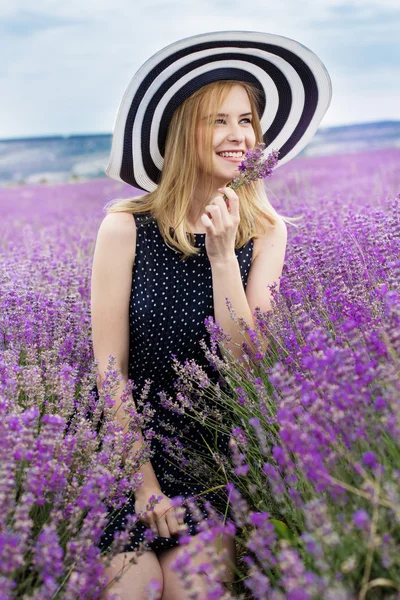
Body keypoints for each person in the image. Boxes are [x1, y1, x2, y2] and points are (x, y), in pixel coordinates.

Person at [90, 30, 331, 600]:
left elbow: (247, 368)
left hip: (210, 463)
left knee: (190, 590)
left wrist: (224, 258)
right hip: (131, 453)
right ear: (182, 132)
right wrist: (143, 482)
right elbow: (108, 369)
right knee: (136, 589)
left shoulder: (267, 234)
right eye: (217, 120)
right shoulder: (125, 227)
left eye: (246, 120)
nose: (237, 135)